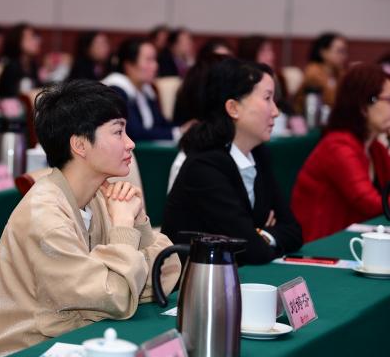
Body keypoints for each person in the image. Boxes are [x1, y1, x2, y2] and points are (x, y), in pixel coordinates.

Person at [0, 80, 181, 357]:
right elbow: (117, 297)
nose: (130, 143)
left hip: (69, 344)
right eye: (118, 131)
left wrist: (138, 218)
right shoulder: (45, 217)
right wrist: (122, 228)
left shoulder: (100, 196)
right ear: (80, 145)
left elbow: (165, 274)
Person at [161, 58, 303, 264]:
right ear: (233, 108)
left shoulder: (258, 154)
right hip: (195, 280)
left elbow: (294, 231)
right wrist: (261, 234)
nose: (276, 111)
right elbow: (252, 251)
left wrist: (261, 235)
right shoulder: (204, 167)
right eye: (267, 98)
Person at [292, 64, 390, 242]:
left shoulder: (376, 149)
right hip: (320, 247)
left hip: (353, 240)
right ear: (364, 105)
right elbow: (369, 202)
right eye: (389, 100)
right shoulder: (337, 147)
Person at [103, 37, 180, 141]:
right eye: (149, 60)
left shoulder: (145, 89)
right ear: (129, 65)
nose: (156, 66)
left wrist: (183, 129)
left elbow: (161, 123)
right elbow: (134, 133)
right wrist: (176, 133)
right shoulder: (115, 91)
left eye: (155, 60)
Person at [294, 32, 348, 114]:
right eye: (340, 51)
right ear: (323, 52)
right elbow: (330, 101)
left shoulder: (339, 73)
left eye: (345, 52)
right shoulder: (313, 72)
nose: (344, 56)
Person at [0, 23, 41, 98]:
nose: (36, 41)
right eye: (30, 38)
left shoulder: (33, 65)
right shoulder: (11, 67)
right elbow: (9, 96)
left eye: (35, 37)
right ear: (18, 42)